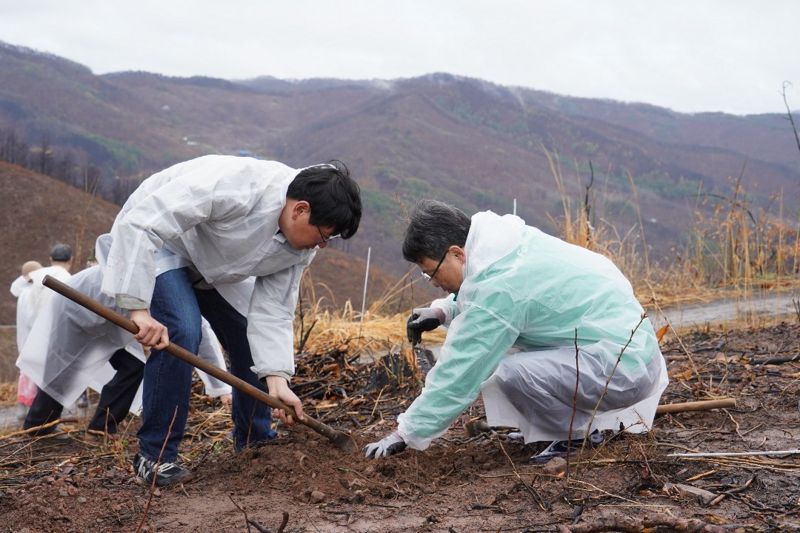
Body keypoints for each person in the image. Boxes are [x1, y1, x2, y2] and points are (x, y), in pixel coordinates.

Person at [101, 155, 361, 487]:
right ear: (301, 210)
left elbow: (273, 311)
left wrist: (277, 380)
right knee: (181, 328)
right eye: (324, 234)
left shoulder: (300, 248)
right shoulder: (238, 185)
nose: (323, 245)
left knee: (245, 334)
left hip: (214, 262)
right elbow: (145, 221)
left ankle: (255, 445)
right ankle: (155, 457)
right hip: (162, 242)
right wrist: (138, 308)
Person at [364, 200, 668, 462]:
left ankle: (576, 438)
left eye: (431, 271)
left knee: (506, 370)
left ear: (457, 253)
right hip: (626, 354)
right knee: (506, 354)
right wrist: (443, 310)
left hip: (621, 367)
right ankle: (563, 430)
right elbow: (489, 295)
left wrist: (407, 432)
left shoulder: (501, 285)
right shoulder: (505, 246)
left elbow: (459, 372)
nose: (431, 280)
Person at [18, 235, 233, 435]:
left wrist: (222, 387)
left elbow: (200, 332)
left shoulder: (178, 286)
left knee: (135, 366)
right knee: (62, 370)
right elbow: (109, 242)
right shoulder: (151, 267)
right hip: (75, 309)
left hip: (111, 324)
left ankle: (102, 426)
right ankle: (36, 428)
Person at [10, 260, 44, 416]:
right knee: (33, 374)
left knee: (26, 373)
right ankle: (30, 408)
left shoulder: (23, 293)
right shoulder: (32, 293)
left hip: (25, 340)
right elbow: (33, 319)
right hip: (33, 340)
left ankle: (24, 407)